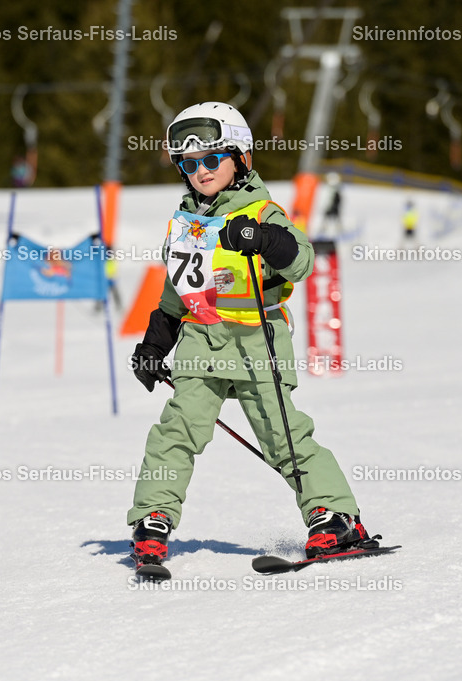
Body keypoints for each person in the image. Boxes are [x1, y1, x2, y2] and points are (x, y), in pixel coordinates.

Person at [126, 102, 374, 575]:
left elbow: (299, 260)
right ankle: (152, 519)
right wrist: (154, 345)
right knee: (176, 433)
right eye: (189, 163)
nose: (200, 172)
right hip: (201, 343)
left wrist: (261, 238)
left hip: (259, 341)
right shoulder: (186, 221)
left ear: (240, 157)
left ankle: (335, 516)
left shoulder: (261, 211)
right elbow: (176, 292)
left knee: (283, 434)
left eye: (211, 160)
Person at [320, 172, 342, 236]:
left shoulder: (335, 190)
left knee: (334, 221)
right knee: (328, 221)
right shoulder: (329, 189)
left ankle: (336, 230)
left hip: (333, 208)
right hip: (330, 207)